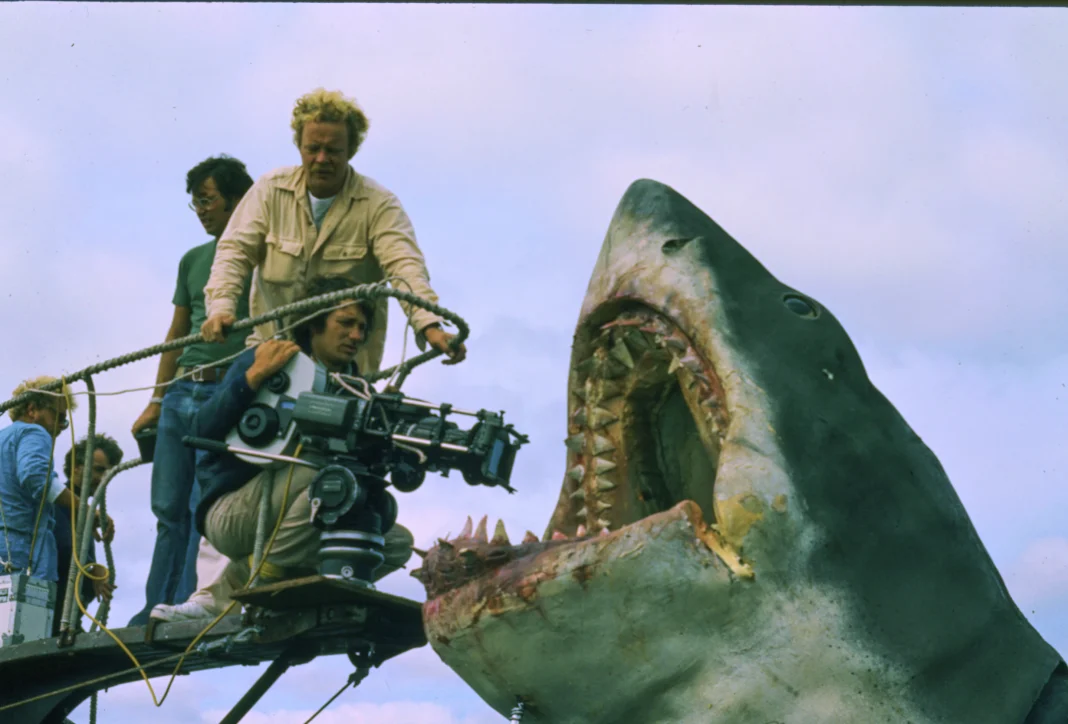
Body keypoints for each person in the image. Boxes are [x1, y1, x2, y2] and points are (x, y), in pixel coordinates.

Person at [149, 277, 415, 622]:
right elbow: (201, 428)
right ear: (314, 322)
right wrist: (252, 378)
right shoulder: (270, 356)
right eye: (346, 323)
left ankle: (289, 586)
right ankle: (247, 583)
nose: (356, 335)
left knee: (393, 541)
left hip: (299, 512)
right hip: (233, 514)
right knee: (321, 473)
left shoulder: (359, 389)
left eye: (362, 328)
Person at [200, 87, 467, 377]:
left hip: (346, 372)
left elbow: (405, 266)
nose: (321, 159)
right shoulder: (269, 190)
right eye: (313, 149)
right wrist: (221, 308)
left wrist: (429, 325)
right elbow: (234, 252)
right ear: (299, 146)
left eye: (333, 151)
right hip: (270, 358)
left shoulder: (379, 204)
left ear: (351, 151)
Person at [127, 155, 256, 626]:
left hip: (225, 392)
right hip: (182, 390)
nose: (201, 211)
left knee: (203, 503)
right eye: (196, 203)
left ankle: (187, 602)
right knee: (167, 506)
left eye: (207, 200)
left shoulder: (262, 257)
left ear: (237, 200)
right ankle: (152, 608)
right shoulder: (192, 259)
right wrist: (156, 399)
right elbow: (177, 333)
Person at [0, 377, 112, 589]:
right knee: (29, 609)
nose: (61, 427)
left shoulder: (3, 438)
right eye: (58, 417)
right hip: (22, 553)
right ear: (32, 409)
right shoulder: (34, 431)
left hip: (6, 550)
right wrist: (86, 510)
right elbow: (36, 477)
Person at [52, 434, 123, 635]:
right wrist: (92, 568)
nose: (104, 478)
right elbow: (63, 549)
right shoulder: (59, 505)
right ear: (76, 467)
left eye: (109, 473)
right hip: (52, 619)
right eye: (99, 470)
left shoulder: (82, 512)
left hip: (65, 619)